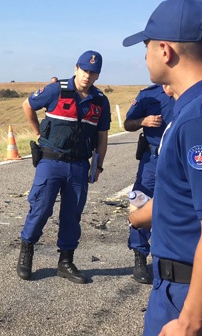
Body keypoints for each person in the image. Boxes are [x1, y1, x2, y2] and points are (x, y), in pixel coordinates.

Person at [123, 0, 202, 334]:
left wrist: (189, 322)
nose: (145, 57)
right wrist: (144, 213)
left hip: (185, 294)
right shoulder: (189, 111)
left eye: (147, 46)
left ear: (165, 50)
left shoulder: (195, 119)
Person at [17, 50, 111, 284]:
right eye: (84, 70)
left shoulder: (99, 100)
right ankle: (27, 251)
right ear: (76, 69)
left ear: (97, 75)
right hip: (51, 162)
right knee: (40, 208)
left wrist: (97, 166)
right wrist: (38, 132)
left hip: (79, 165)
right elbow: (27, 105)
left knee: (72, 215)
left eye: (93, 72)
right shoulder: (56, 89)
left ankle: (66, 262)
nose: (88, 76)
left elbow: (102, 135)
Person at [123, 84, 174, 284]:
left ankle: (172, 257)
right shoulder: (148, 94)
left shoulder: (189, 87)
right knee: (141, 204)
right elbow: (128, 124)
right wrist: (142, 121)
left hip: (178, 159)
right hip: (152, 160)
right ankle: (140, 256)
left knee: (179, 206)